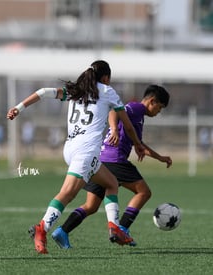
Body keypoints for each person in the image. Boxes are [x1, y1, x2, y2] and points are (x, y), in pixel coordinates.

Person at [7, 60, 146, 254]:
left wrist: (19, 107)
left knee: (112, 183)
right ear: (106, 77)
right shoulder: (107, 91)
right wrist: (138, 145)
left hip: (70, 149)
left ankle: (115, 228)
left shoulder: (75, 90)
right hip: (85, 152)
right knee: (67, 194)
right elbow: (128, 126)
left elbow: (44, 92)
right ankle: (42, 228)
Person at [51, 84, 172, 249]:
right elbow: (114, 110)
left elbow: (138, 143)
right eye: (160, 108)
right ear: (152, 101)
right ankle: (121, 228)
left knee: (91, 206)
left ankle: (62, 231)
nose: (159, 112)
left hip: (101, 160)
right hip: (115, 160)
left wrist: (160, 157)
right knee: (144, 192)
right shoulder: (136, 108)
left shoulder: (138, 115)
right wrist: (114, 129)